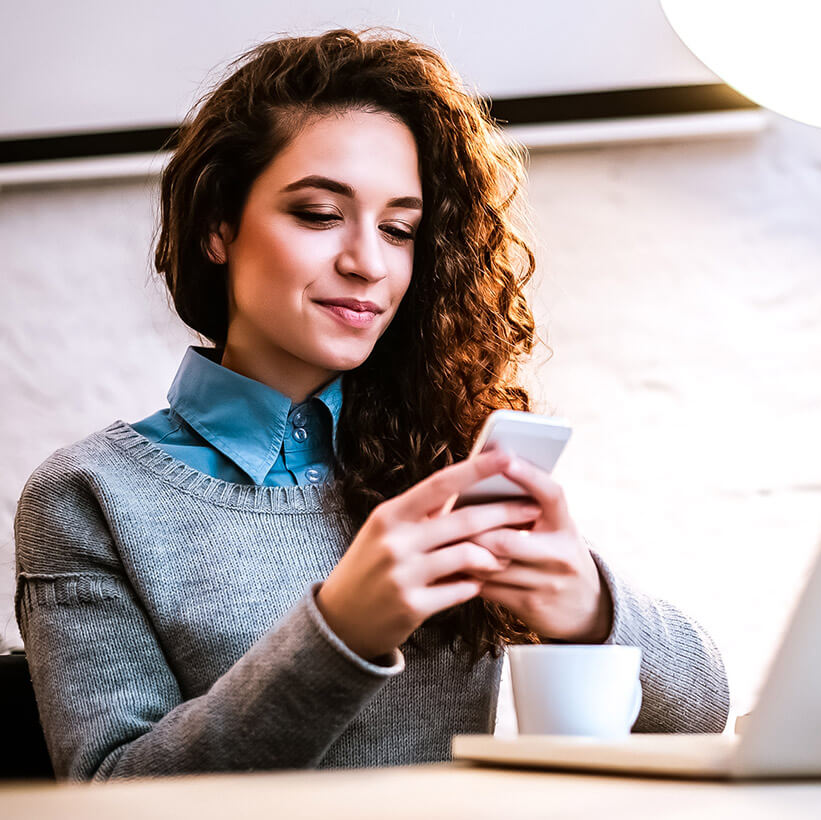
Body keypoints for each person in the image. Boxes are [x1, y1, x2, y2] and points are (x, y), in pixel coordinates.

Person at [13, 27, 730, 781]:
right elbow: (109, 795)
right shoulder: (89, 497)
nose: (367, 263)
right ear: (219, 226)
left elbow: (702, 715)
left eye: (399, 229)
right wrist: (343, 631)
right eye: (320, 214)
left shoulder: (443, 456)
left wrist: (590, 607)